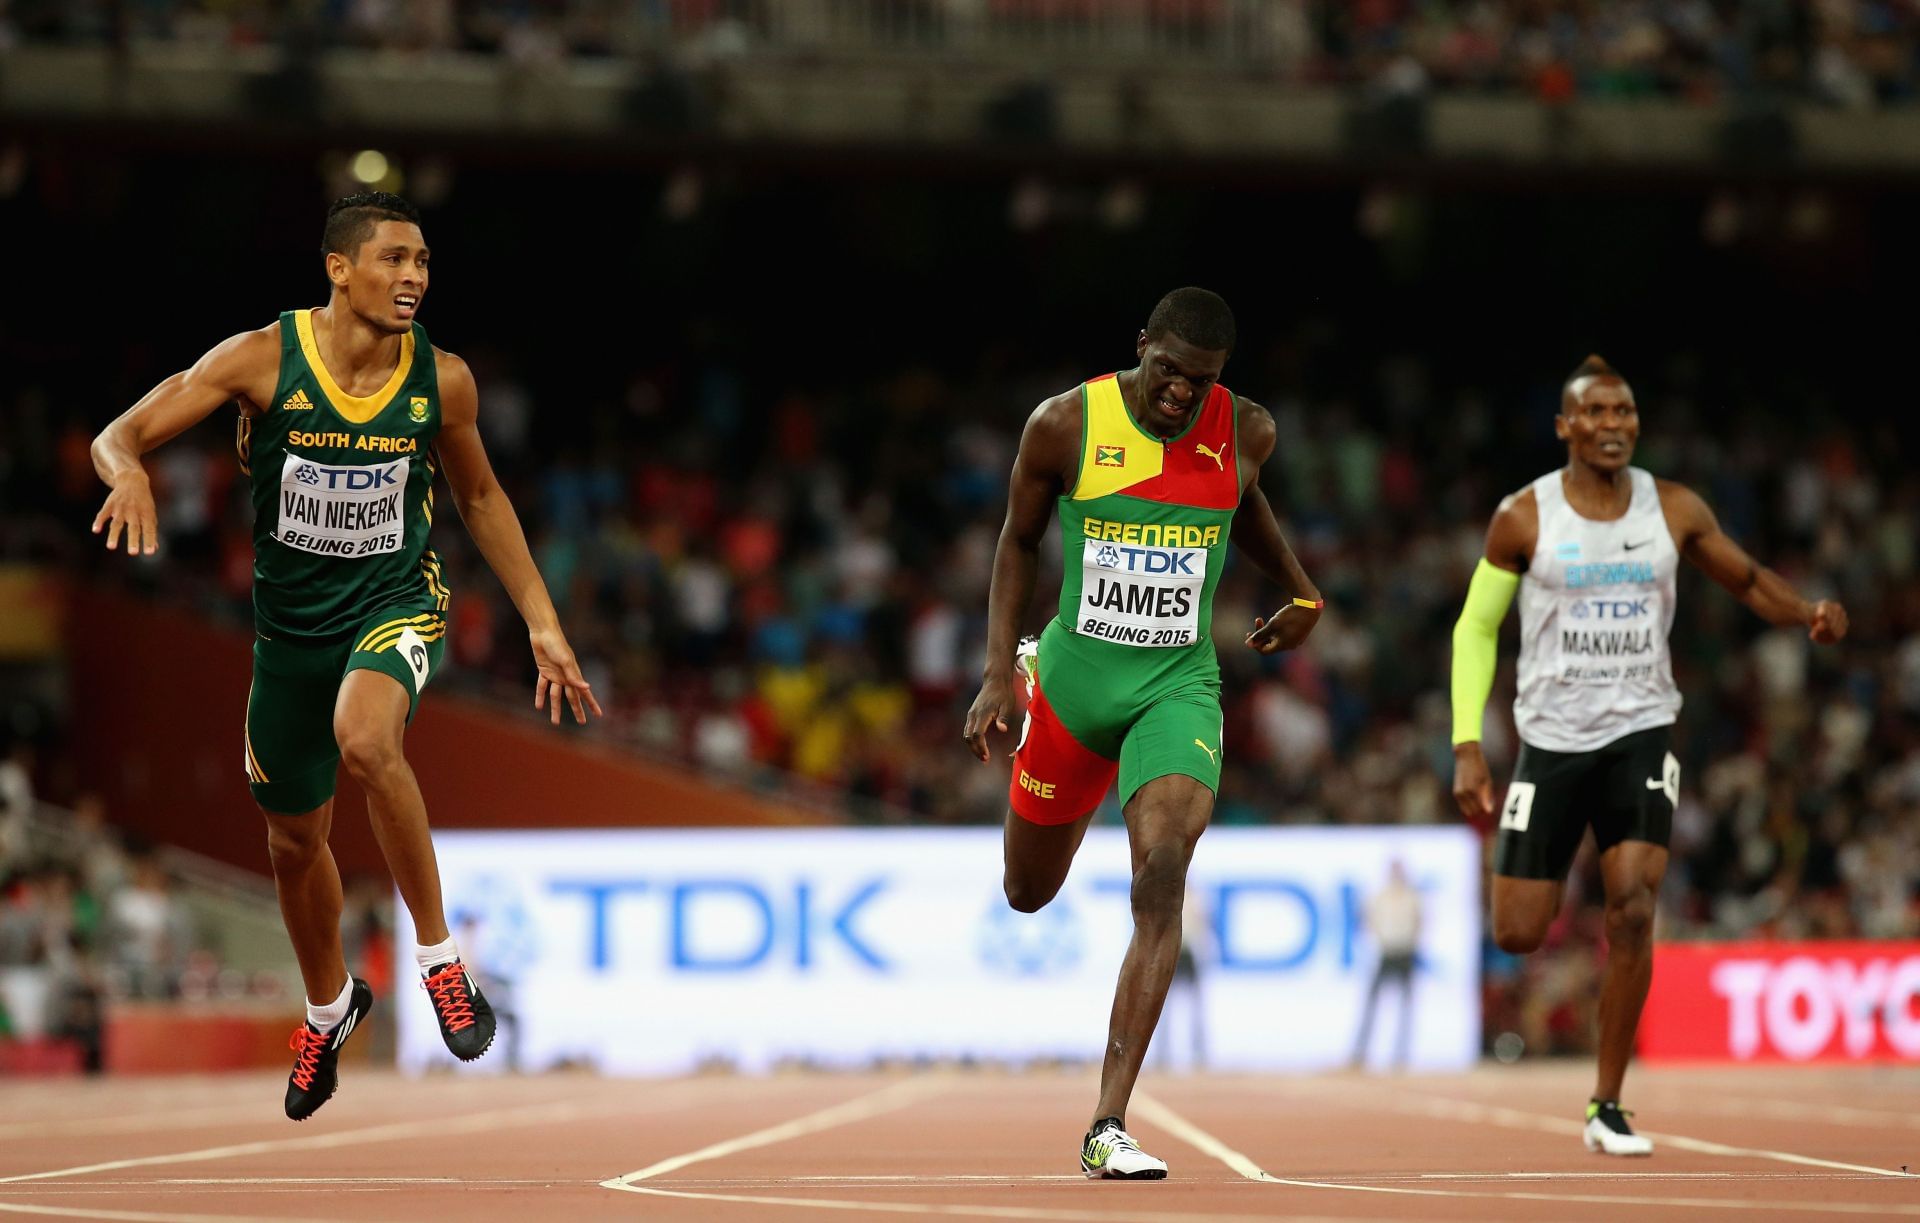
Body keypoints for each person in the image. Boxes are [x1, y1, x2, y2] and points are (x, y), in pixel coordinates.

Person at [89, 191, 602, 1120]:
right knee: (294, 840)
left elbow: (481, 499)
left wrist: (542, 619)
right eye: (395, 260)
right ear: (339, 268)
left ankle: (442, 962)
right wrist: (128, 472)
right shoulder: (261, 359)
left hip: (394, 601)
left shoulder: (443, 380)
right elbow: (117, 434)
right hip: (291, 631)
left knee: (366, 739)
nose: (413, 278)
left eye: (424, 263)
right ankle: (329, 1008)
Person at [964, 287, 1323, 1179]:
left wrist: (1302, 590)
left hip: (1177, 683)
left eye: (1199, 382)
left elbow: (1241, 501)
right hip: (1076, 686)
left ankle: (1107, 1121)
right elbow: (1017, 540)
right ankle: (1036, 668)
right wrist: (991, 677)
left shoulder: (1243, 429)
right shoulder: (1064, 424)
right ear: (1141, 349)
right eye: (1167, 373)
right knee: (1025, 891)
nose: (1179, 395)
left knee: (1162, 869)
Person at [1449, 355, 1848, 1156]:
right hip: (1553, 738)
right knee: (1519, 931)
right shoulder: (1525, 516)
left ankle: (1607, 1103)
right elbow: (1475, 628)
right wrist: (1467, 742)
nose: (1613, 425)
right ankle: (1586, 1048)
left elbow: (1747, 578)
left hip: (1641, 729)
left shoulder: (1673, 508)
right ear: (1565, 426)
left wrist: (1805, 610)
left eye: (1624, 411)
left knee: (1633, 904)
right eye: (1595, 413)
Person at [1350, 858, 1421, 1070]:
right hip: (1387, 952)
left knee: (1405, 1007)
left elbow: (1420, 921)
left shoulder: (1412, 897)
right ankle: (1360, 1052)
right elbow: (1367, 918)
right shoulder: (1381, 897)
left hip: (1405, 952)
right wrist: (1378, 938)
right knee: (1372, 1004)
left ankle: (1401, 1054)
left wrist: (1412, 941)